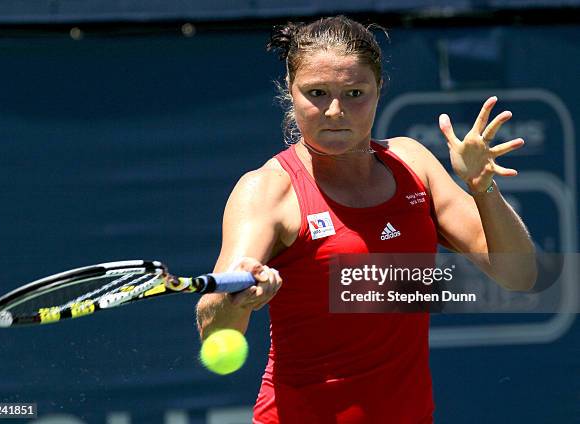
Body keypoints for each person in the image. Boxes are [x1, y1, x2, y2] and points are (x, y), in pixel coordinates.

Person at [196, 15, 537, 423]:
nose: (335, 111)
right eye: (317, 93)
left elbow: (521, 275)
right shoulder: (267, 191)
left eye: (354, 92)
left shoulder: (413, 163)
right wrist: (239, 297)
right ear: (291, 91)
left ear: (379, 91)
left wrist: (482, 187)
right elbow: (214, 327)